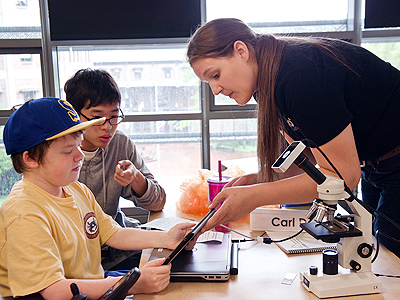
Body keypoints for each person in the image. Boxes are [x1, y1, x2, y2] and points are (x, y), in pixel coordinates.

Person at [187, 18, 400, 257]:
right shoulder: (267, 83)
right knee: (376, 254)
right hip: (374, 165)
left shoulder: (301, 75)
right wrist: (258, 180)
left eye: (215, 75)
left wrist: (253, 197)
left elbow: (342, 177)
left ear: (241, 51)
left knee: (390, 258)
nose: (215, 90)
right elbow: (311, 165)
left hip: (393, 161)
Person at [0, 97, 193, 299]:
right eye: (68, 151)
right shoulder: (23, 213)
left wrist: (167, 238)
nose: (80, 155)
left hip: (94, 284)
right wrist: (133, 284)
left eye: (78, 146)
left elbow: (113, 234)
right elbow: (54, 290)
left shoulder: (74, 188)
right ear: (30, 158)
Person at [64, 69, 167, 269]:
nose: (108, 127)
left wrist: (136, 178)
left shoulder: (120, 145)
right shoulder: (58, 153)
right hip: (77, 261)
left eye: (114, 116)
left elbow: (159, 202)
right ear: (74, 115)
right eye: (98, 117)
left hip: (120, 252)